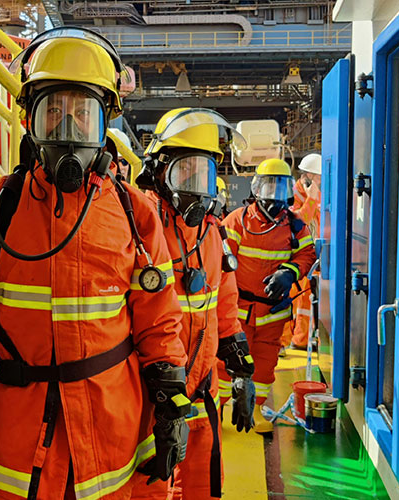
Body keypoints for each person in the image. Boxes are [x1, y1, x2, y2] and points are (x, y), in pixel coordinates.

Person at [0, 27, 191, 500]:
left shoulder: (134, 212)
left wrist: (172, 404)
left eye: (82, 114)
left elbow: (159, 318)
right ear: (30, 121)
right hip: (20, 440)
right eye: (54, 113)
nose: (68, 131)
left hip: (112, 429)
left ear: (104, 123)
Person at [131, 108, 256, 500]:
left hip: (201, 395)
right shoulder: (138, 223)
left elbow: (225, 306)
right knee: (149, 489)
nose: (195, 185)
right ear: (159, 169)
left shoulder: (212, 234)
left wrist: (241, 370)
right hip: (148, 402)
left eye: (203, 173)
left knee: (202, 487)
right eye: (185, 171)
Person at [219, 158, 317, 434]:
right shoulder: (238, 221)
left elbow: (307, 254)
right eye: (268, 185)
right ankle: (218, 408)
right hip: (238, 310)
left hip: (272, 312)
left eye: (280, 186)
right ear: (257, 187)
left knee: (265, 363)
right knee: (226, 361)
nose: (273, 194)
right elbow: (223, 261)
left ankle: (258, 408)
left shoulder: (295, 226)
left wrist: (289, 272)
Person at [281, 154, 321, 349]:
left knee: (305, 299)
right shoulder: (292, 194)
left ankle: (301, 339)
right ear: (307, 176)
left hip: (311, 256)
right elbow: (299, 221)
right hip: (290, 256)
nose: (321, 182)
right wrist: (312, 198)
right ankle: (282, 343)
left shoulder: (316, 194)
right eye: (318, 178)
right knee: (289, 299)